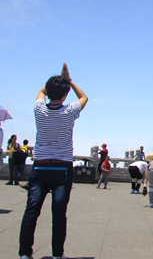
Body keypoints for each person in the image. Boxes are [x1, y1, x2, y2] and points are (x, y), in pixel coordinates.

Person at [19, 63, 88, 259]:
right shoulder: (69, 112)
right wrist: (69, 80)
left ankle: (25, 254)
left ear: (49, 92)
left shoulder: (39, 110)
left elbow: (41, 92)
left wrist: (58, 81)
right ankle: (57, 255)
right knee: (59, 215)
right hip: (62, 169)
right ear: (65, 95)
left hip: (40, 166)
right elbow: (84, 97)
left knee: (31, 212)